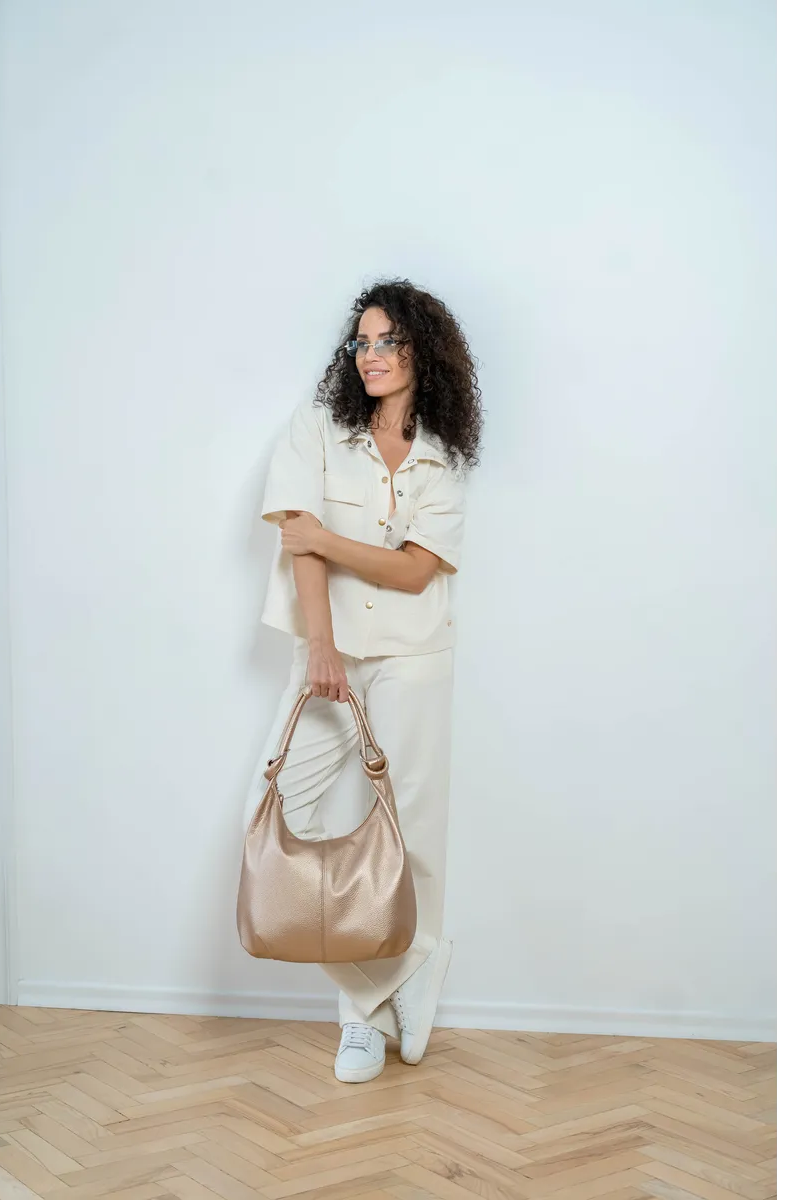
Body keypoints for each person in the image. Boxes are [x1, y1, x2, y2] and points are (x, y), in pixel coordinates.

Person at [242, 277, 483, 1083]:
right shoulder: (316, 427)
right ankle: (397, 973)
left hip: (416, 653)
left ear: (423, 351)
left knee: (410, 833)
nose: (371, 355)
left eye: (389, 341)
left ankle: (360, 1025)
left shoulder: (443, 456)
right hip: (329, 654)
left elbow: (415, 573)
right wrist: (322, 646)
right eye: (362, 342)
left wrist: (326, 537)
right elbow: (296, 540)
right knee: (273, 816)